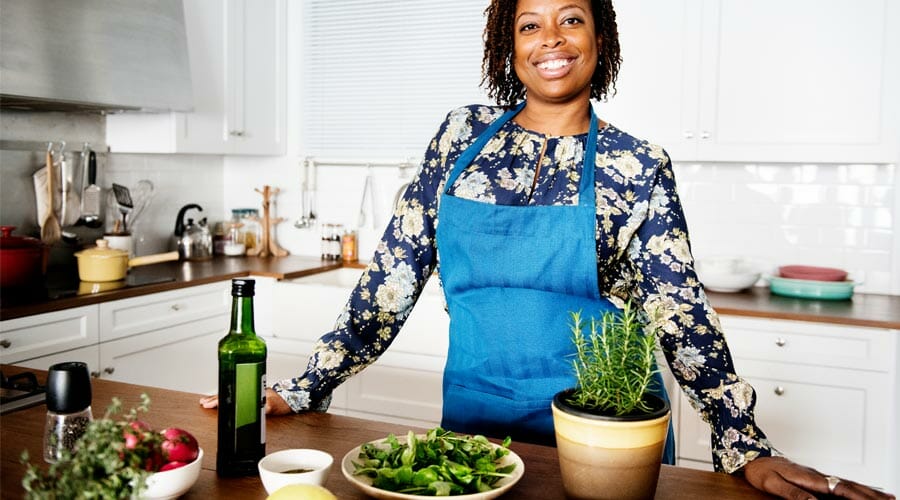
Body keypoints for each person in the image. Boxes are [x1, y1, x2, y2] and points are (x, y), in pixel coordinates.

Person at [201, 1, 894, 498]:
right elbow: (389, 282)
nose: (550, 39)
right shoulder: (458, 140)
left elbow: (681, 316)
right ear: (509, 46)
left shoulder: (634, 163)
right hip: (474, 425)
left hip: (608, 437)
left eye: (572, 18)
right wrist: (305, 386)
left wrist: (743, 444)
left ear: (602, 37)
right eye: (530, 24)